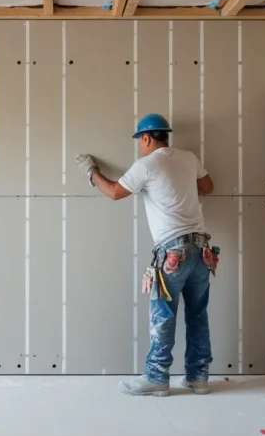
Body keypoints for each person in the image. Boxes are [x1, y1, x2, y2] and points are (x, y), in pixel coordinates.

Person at [74, 113, 217, 396]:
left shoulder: (147, 164)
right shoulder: (188, 158)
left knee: (163, 315)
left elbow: (115, 192)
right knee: (197, 315)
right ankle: (198, 378)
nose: (140, 146)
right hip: (201, 251)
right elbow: (208, 187)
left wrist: (91, 172)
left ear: (148, 138)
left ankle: (157, 378)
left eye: (140, 140)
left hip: (172, 252)